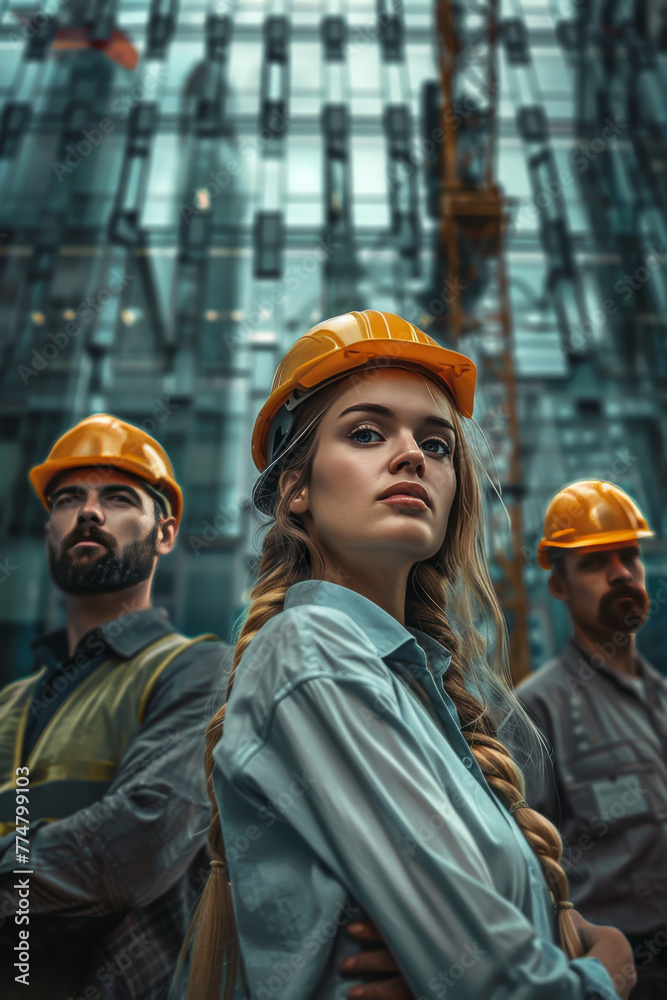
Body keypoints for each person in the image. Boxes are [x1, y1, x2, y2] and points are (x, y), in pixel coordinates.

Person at [183, 310, 635, 1000]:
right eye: (366, 433)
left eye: (437, 444)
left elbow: (489, 960)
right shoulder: (313, 654)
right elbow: (504, 983)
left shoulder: (407, 685)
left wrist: (454, 962)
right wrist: (606, 973)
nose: (411, 457)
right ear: (296, 487)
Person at [0, 414, 230, 1000]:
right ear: (49, 527)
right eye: (68, 498)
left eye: (119, 498)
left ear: (165, 533)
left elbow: (135, 846)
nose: (89, 512)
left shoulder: (201, 673)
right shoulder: (9, 705)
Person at [516, 481, 667, 1000]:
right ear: (558, 584)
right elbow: (524, 868)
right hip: (624, 974)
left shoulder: (662, 699)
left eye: (629, 555)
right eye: (596, 562)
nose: (622, 572)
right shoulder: (536, 710)